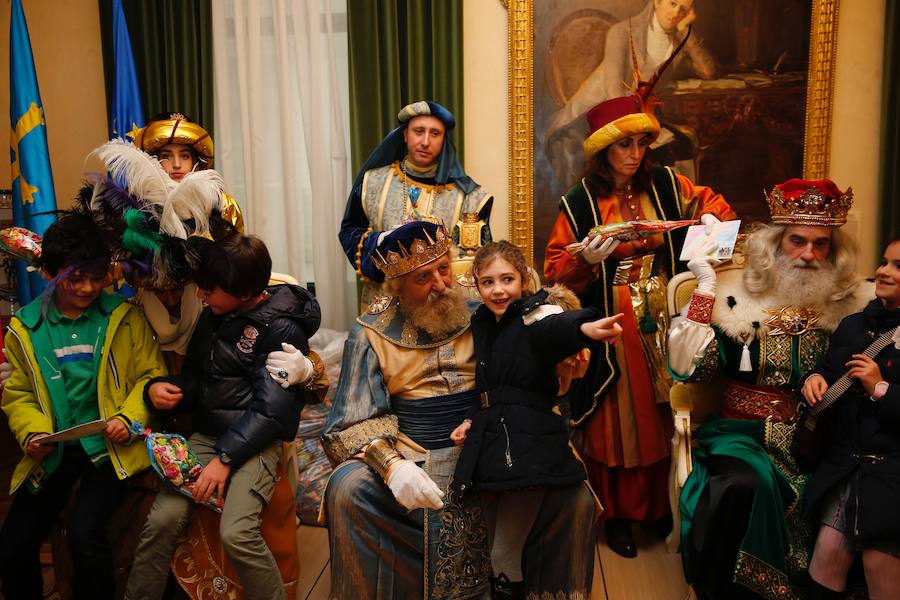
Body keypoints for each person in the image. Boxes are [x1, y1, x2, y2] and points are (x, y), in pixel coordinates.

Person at [322, 221, 597, 600]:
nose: (440, 284)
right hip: (413, 448)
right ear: (396, 285)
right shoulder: (369, 332)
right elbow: (350, 424)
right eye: (423, 277)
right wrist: (392, 465)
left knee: (575, 496)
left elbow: (533, 330)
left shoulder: (482, 301)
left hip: (496, 434)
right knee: (346, 488)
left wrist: (567, 331)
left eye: (444, 268)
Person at [543, 87, 734, 558]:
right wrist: (585, 261)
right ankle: (621, 516)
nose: (633, 154)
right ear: (603, 150)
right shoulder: (580, 201)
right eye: (623, 145)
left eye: (641, 144)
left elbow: (719, 211)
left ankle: (664, 507)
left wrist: (708, 233)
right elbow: (554, 272)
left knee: (669, 407)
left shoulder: (669, 184)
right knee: (622, 420)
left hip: (669, 309)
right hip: (615, 317)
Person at [667, 179, 870, 599]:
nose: (808, 254)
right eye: (798, 241)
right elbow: (691, 370)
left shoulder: (851, 306)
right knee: (747, 485)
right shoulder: (735, 299)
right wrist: (704, 287)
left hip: (820, 436)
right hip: (742, 435)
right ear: (776, 244)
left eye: (821, 244)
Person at [124, 232, 322, 600]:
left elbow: (272, 411)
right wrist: (162, 389)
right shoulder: (214, 315)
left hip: (255, 446)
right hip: (206, 437)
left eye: (208, 290)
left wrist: (226, 458)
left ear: (244, 293)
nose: (199, 295)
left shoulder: (282, 327)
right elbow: (201, 378)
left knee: (237, 533)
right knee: (162, 520)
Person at [0, 210, 166, 600]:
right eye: (75, 277)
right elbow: (19, 394)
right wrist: (33, 432)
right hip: (54, 451)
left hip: (108, 449)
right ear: (48, 273)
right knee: (12, 547)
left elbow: (150, 376)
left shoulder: (124, 317)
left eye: (96, 276)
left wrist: (129, 418)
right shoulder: (25, 328)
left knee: (85, 535)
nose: (88, 287)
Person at [449, 240, 620, 597]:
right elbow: (485, 386)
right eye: (488, 282)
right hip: (494, 429)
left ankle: (509, 582)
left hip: (530, 434)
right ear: (477, 285)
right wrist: (470, 421)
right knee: (490, 533)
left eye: (507, 279)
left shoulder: (534, 313)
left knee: (504, 553)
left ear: (523, 280)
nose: (499, 290)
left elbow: (557, 328)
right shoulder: (482, 321)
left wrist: (585, 328)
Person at [799, 236, 900, 599]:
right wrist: (813, 380)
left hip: (892, 474)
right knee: (826, 554)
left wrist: (880, 388)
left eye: (899, 267)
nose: (884, 272)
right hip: (845, 467)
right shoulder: (853, 325)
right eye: (885, 261)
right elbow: (825, 369)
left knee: (880, 563)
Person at [338, 101, 493, 306]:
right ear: (405, 134)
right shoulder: (373, 183)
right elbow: (350, 231)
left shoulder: (469, 197)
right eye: (418, 131)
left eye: (435, 133)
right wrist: (383, 242)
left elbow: (477, 262)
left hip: (441, 307)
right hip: (383, 305)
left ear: (444, 139)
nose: (426, 141)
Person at [545, 0, 718, 184]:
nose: (676, 13)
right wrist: (640, 127)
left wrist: (686, 32)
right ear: (656, 2)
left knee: (681, 145)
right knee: (653, 148)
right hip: (594, 114)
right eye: (672, 3)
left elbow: (708, 71)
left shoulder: (677, 41)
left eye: (683, 9)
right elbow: (614, 89)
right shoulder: (622, 31)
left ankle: (674, 208)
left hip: (637, 113)